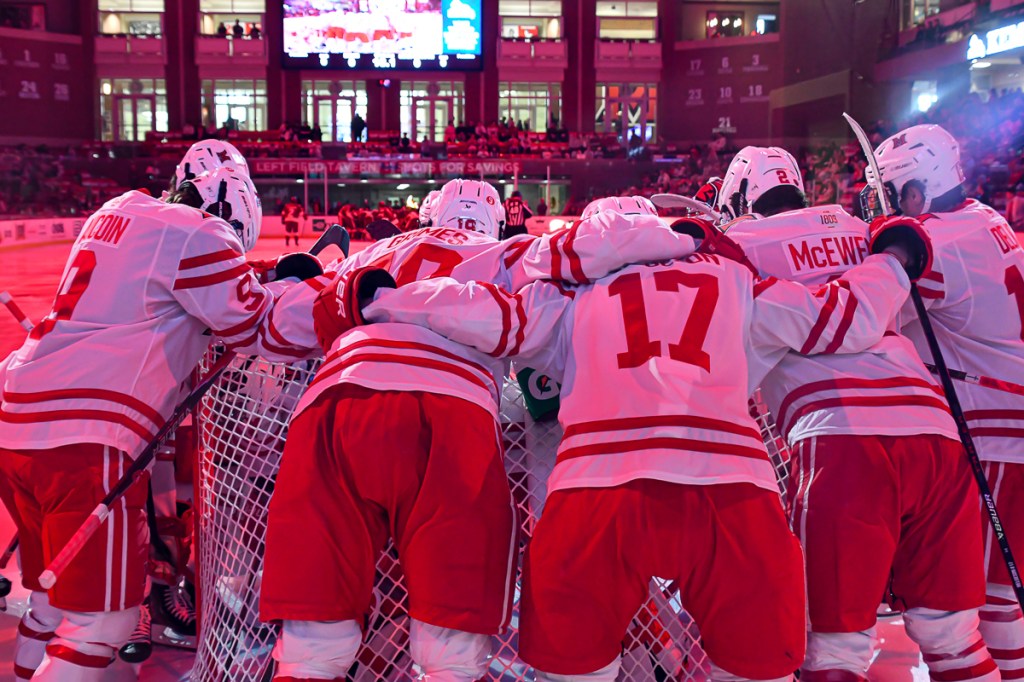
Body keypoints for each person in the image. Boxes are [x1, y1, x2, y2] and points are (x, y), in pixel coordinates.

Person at [364, 197, 934, 682]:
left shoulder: (567, 293)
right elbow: (848, 315)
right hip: (731, 486)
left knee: (572, 668)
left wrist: (384, 300)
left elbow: (486, 315)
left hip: (595, 487)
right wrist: (895, 258)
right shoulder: (738, 280)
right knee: (758, 667)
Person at [258, 184, 700, 681]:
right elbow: (591, 248)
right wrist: (687, 237)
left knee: (311, 644)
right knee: (452, 646)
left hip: (335, 400)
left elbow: (273, 324)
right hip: (452, 406)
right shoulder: (503, 252)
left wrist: (291, 280)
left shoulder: (370, 255)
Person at [0, 167, 320, 681]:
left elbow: (167, 285)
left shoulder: (120, 210)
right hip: (87, 437)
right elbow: (262, 330)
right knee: (100, 624)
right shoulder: (201, 233)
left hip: (18, 418)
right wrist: (322, 294)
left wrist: (261, 276)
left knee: (49, 601)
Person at [721, 146, 995, 682]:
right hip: (935, 431)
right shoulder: (857, 227)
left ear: (740, 201)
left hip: (842, 438)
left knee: (834, 648)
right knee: (955, 638)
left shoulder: (738, 248)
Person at [875, 123, 1024, 680]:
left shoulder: (934, 241)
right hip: (1007, 420)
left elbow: (869, 311)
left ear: (915, 192)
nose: (885, 205)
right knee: (1001, 600)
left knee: (987, 602)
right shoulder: (985, 218)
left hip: (994, 433)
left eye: (891, 193)